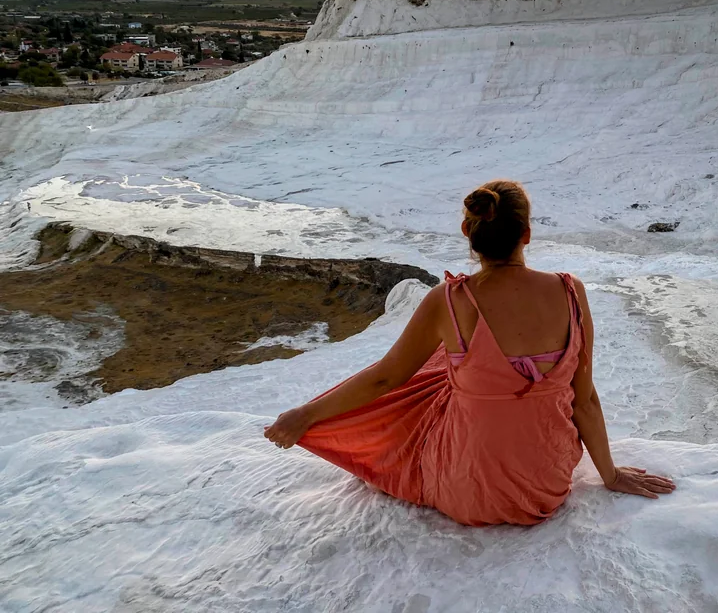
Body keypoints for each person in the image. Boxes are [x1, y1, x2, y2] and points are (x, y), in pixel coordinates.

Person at [264, 179, 675, 525]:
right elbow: (583, 399)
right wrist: (611, 474)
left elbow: (386, 378)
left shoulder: (449, 299)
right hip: (543, 490)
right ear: (526, 234)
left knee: (440, 361)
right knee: (447, 362)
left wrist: (306, 415)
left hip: (461, 490)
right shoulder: (571, 292)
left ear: (469, 233)